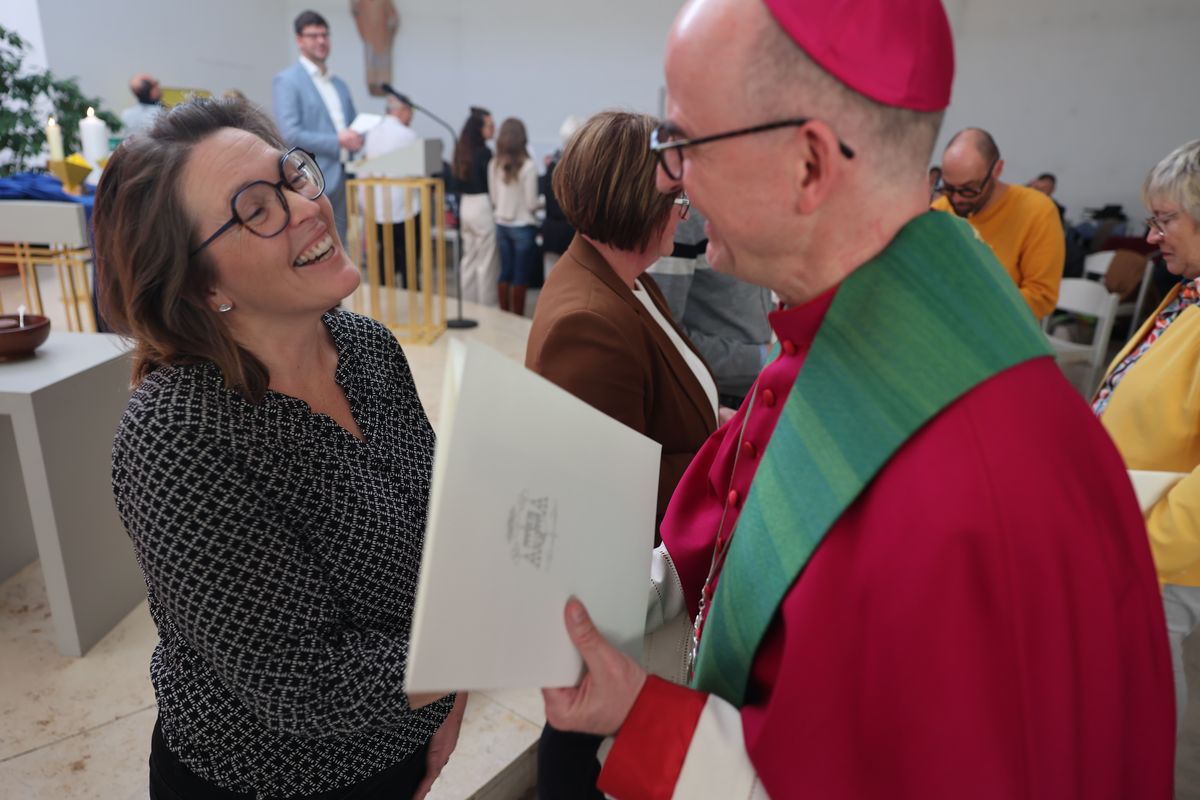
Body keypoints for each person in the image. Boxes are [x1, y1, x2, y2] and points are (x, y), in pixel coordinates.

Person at [539, 1, 1174, 798]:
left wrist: (643, 716)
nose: (677, 182)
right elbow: (736, 526)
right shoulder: (850, 326)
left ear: (808, 166)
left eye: (684, 142)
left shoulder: (965, 490)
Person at [92, 97, 464, 799]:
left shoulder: (366, 348)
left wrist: (452, 696)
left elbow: (439, 533)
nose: (306, 207)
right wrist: (482, 650)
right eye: (255, 210)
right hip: (277, 782)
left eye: (291, 178)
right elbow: (307, 684)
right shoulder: (178, 433)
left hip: (405, 738)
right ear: (202, 284)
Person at [525, 110, 719, 799]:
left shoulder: (627, 277)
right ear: (639, 202)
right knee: (582, 745)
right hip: (623, 591)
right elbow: (612, 496)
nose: (684, 212)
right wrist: (725, 474)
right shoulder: (590, 317)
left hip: (647, 579)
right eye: (676, 197)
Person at [1092, 139, 1200, 737]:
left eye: (1166, 220)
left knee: (1142, 694)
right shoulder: (1188, 294)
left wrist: (1146, 546)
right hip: (1126, 534)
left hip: (1161, 552)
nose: (1153, 237)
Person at [932, 128, 1065, 320]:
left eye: (969, 189)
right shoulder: (940, 211)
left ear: (997, 169)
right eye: (948, 188)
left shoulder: (1037, 210)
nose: (957, 199)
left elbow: (1041, 297)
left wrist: (970, 304)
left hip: (1000, 327)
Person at [650, 207, 773, 407]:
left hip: (756, 388)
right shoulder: (684, 219)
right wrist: (763, 357)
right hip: (714, 397)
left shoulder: (751, 206)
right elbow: (663, 339)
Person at [273, 10, 362, 248]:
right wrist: (338, 140)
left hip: (344, 174)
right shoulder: (288, 81)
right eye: (313, 36)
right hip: (311, 177)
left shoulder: (339, 84)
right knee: (315, 246)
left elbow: (352, 124)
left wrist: (358, 136)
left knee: (341, 243)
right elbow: (290, 133)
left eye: (325, 35)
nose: (321, 41)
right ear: (299, 40)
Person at [363, 93, 422, 285]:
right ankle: (410, 289)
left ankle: (384, 291)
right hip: (405, 205)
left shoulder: (372, 132)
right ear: (403, 110)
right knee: (409, 253)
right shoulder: (407, 135)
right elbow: (418, 169)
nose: (412, 116)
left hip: (378, 204)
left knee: (385, 251)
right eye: (411, 111)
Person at [490, 117, 540, 315]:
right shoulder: (528, 166)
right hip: (522, 227)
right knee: (520, 275)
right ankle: (517, 318)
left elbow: (494, 199)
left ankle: (504, 315)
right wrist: (544, 201)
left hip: (501, 224)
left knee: (505, 272)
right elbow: (531, 204)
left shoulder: (494, 164)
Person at [453, 106, 499, 306]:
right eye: (490, 125)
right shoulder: (484, 153)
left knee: (469, 258)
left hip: (466, 205)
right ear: (479, 129)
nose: (494, 128)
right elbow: (492, 184)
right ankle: (487, 306)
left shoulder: (460, 150)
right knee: (486, 262)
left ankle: (468, 304)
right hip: (482, 205)